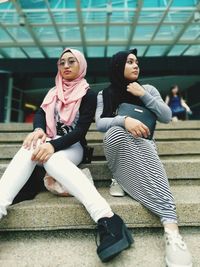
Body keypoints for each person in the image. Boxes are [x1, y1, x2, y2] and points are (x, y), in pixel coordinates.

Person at [0, 48, 133, 262]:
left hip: (73, 146)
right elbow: (41, 115)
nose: (66, 66)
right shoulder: (53, 92)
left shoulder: (88, 94)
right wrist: (38, 130)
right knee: (29, 147)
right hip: (49, 140)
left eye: (72, 61)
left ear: (81, 65)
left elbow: (80, 131)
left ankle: (107, 218)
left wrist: (53, 146)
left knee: (52, 158)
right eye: (62, 63)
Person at [95, 48, 192, 267]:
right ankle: (120, 176)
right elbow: (100, 124)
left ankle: (171, 227)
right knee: (115, 131)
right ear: (118, 66)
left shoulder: (148, 88)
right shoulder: (104, 94)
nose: (136, 65)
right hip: (116, 147)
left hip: (145, 148)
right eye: (130, 62)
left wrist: (143, 95)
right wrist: (124, 120)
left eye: (137, 62)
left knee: (144, 143)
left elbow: (166, 116)